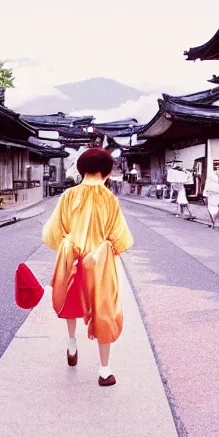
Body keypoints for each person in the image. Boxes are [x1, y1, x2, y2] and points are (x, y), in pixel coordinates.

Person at [42, 148, 134, 387]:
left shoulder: (68, 196)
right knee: (105, 308)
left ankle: (72, 342)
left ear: (81, 170)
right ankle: (104, 370)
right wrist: (112, 249)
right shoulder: (110, 199)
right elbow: (121, 237)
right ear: (106, 172)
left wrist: (69, 244)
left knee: (70, 301)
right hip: (100, 262)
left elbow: (52, 232)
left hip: (71, 255)